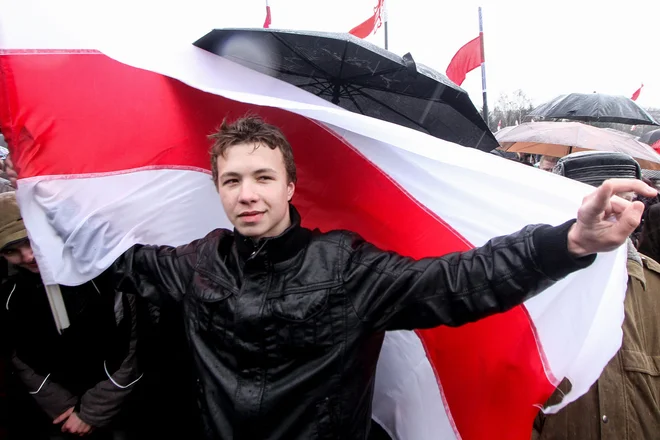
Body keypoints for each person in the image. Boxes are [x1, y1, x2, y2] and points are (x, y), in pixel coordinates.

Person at [10, 116, 656, 439]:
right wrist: (42, 217)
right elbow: (116, 258)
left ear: (290, 185)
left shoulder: (345, 265)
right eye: (232, 180)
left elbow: (459, 282)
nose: (248, 193)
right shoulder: (194, 263)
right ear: (218, 190)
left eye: (263, 177)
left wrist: (569, 241)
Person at [532, 151, 660, 439]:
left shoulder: (653, 288)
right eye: (598, 202)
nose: (612, 214)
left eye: (624, 202)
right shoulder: (529, 286)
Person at [0, 192, 144, 439]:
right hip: (56, 416)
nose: (28, 256)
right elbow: (17, 356)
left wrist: (93, 412)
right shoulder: (9, 294)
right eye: (13, 250)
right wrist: (60, 404)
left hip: (127, 408)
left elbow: (136, 344)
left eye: (31, 241)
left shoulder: (103, 271)